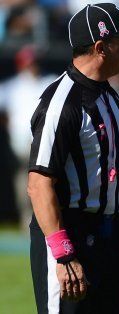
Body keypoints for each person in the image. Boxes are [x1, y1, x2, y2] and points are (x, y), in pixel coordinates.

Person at [27, 3, 119, 313]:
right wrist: (63, 254)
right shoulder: (61, 103)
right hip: (71, 235)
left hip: (109, 239)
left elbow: (114, 165)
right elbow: (39, 184)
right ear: (100, 47)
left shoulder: (108, 95)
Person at [0, 45, 57, 230]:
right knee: (24, 183)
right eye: (30, 62)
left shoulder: (48, 81)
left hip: (44, 141)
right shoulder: (12, 86)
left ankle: (45, 219)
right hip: (21, 142)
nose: (34, 66)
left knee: (46, 181)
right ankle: (27, 221)